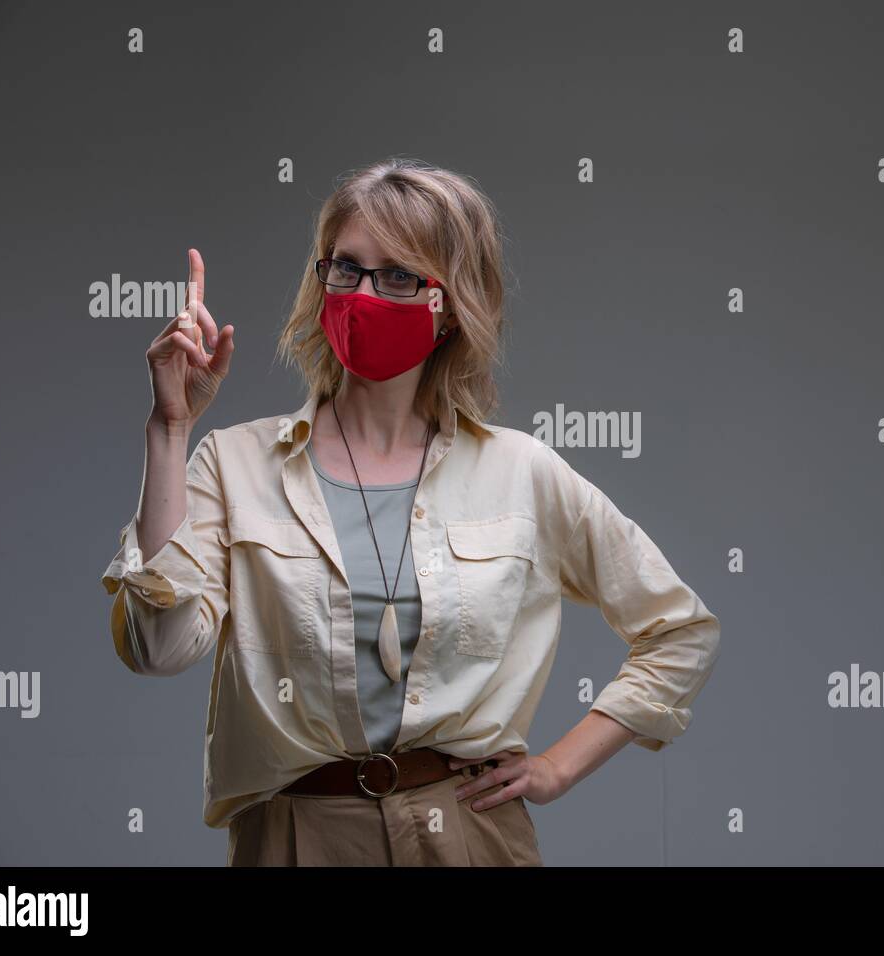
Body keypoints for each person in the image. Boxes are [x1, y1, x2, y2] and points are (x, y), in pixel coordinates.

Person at [99, 158, 721, 866]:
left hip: (469, 835)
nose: (364, 294)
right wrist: (169, 430)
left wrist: (559, 767)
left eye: (398, 275)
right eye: (346, 268)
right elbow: (159, 649)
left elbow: (679, 630)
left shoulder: (522, 473)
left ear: (451, 304)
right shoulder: (233, 462)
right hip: (296, 837)